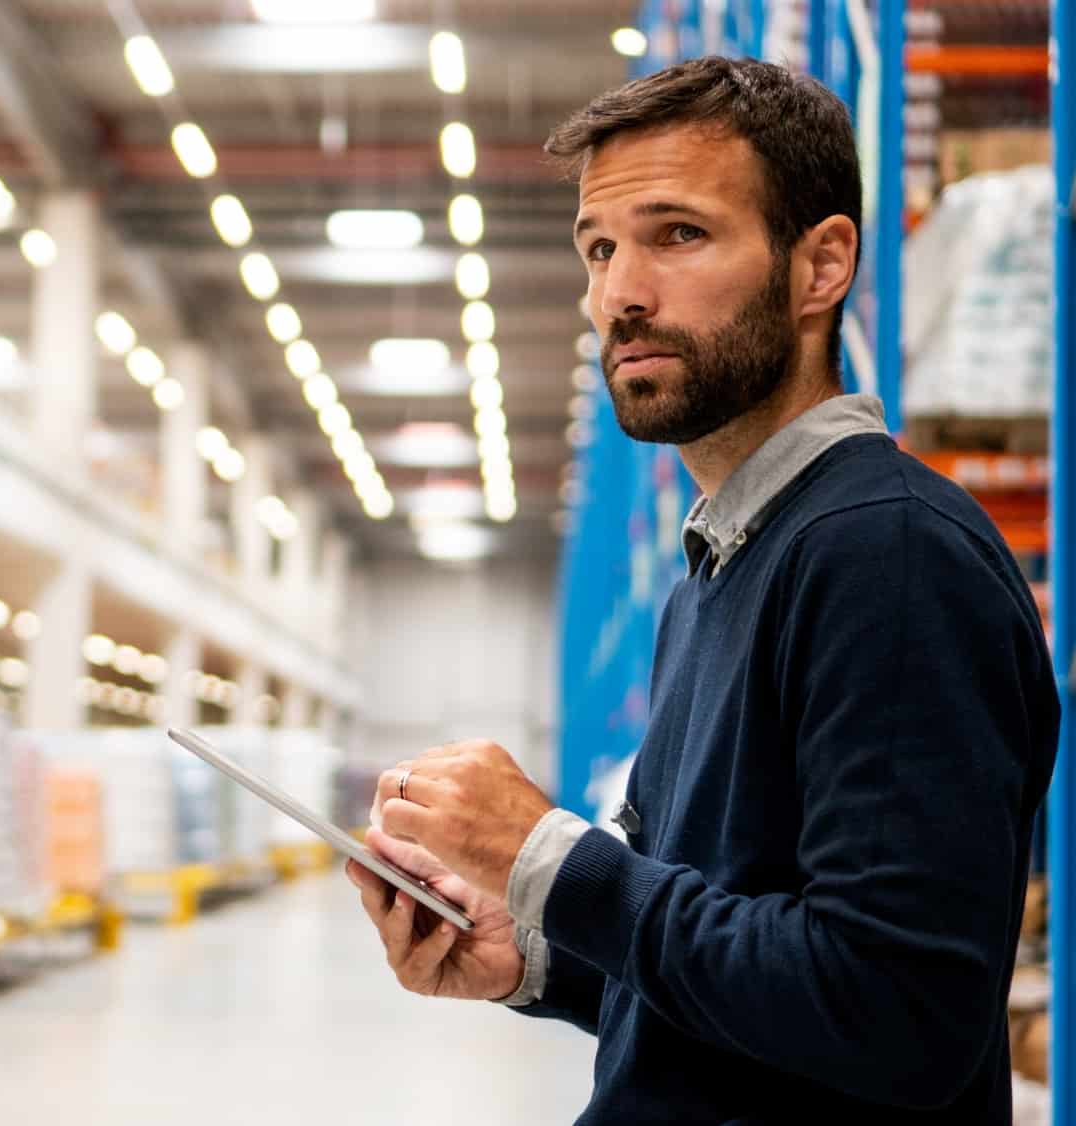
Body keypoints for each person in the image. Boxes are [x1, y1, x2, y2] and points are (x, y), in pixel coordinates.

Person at [346, 55, 1059, 1124]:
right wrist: (536, 958)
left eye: (677, 234)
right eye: (599, 248)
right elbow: (742, 971)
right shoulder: (716, 574)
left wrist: (553, 859)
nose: (619, 294)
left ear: (820, 266)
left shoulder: (887, 554)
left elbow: (893, 1015)